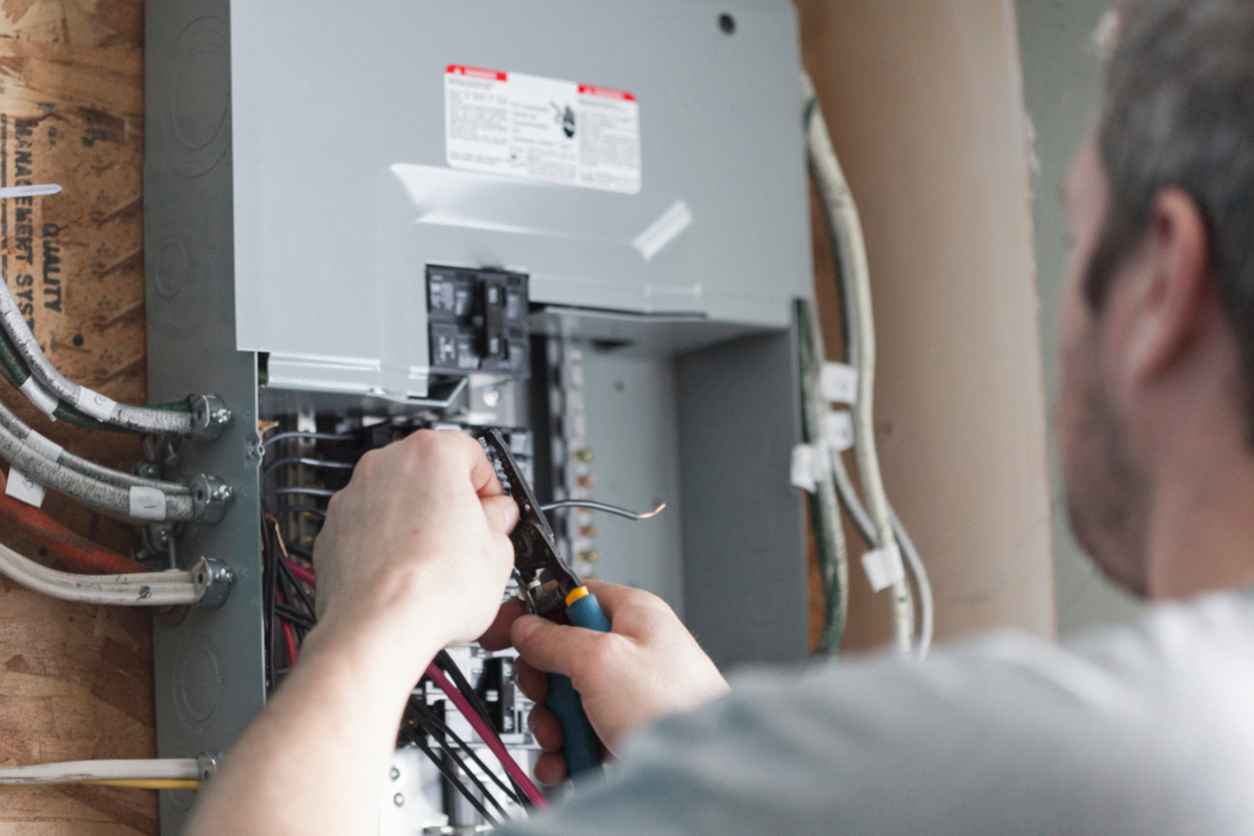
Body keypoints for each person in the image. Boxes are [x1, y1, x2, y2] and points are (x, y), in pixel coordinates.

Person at [188, 0, 1254, 832]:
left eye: (1074, 248)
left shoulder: (1110, 762)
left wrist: (385, 611)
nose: (1064, 320)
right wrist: (716, 763)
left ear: (1162, 281)